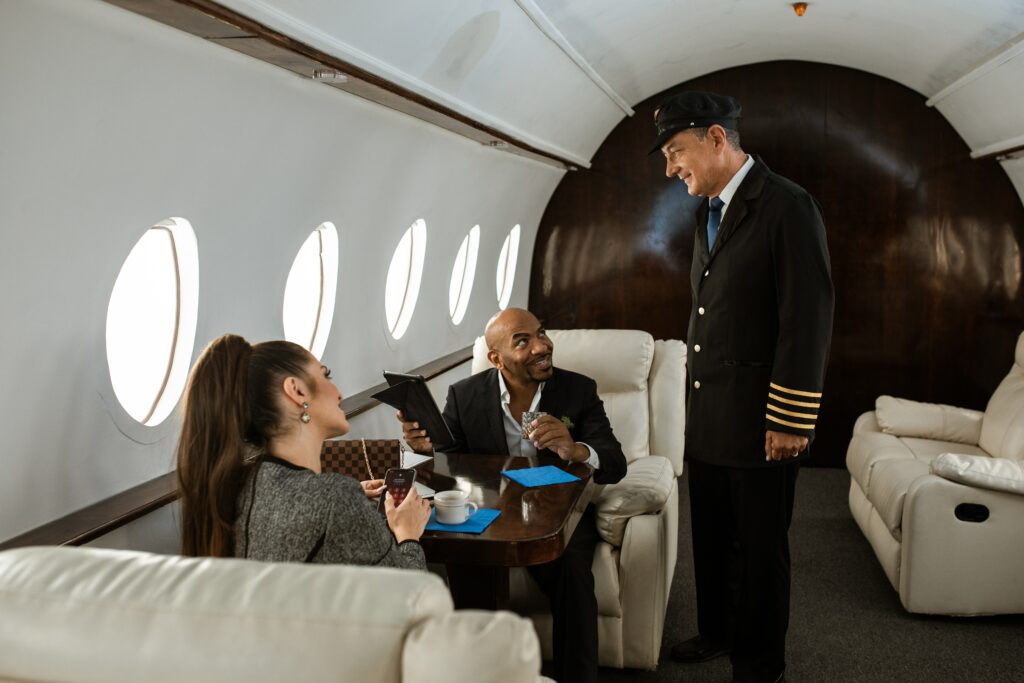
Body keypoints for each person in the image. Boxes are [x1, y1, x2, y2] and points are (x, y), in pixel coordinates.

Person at [650, 91, 834, 683]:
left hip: (762, 420)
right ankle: (718, 631)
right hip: (710, 415)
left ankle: (759, 664)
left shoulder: (786, 206)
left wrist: (790, 420)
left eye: (676, 151)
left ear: (716, 139)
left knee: (759, 551)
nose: (671, 168)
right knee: (713, 537)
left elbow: (807, 320)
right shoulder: (710, 208)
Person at [399, 307, 627, 683]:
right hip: (488, 514)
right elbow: (448, 464)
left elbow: (616, 462)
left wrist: (577, 449)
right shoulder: (464, 396)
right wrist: (424, 449)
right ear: (496, 359)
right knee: (465, 562)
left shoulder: (578, 390)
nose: (541, 346)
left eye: (541, 333)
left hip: (559, 514)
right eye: (523, 341)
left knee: (572, 575)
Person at [176, 333, 431, 569]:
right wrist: (408, 533)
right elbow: (409, 601)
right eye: (326, 375)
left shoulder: (238, 483)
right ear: (297, 391)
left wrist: (351, 496)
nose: (339, 393)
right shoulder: (335, 500)